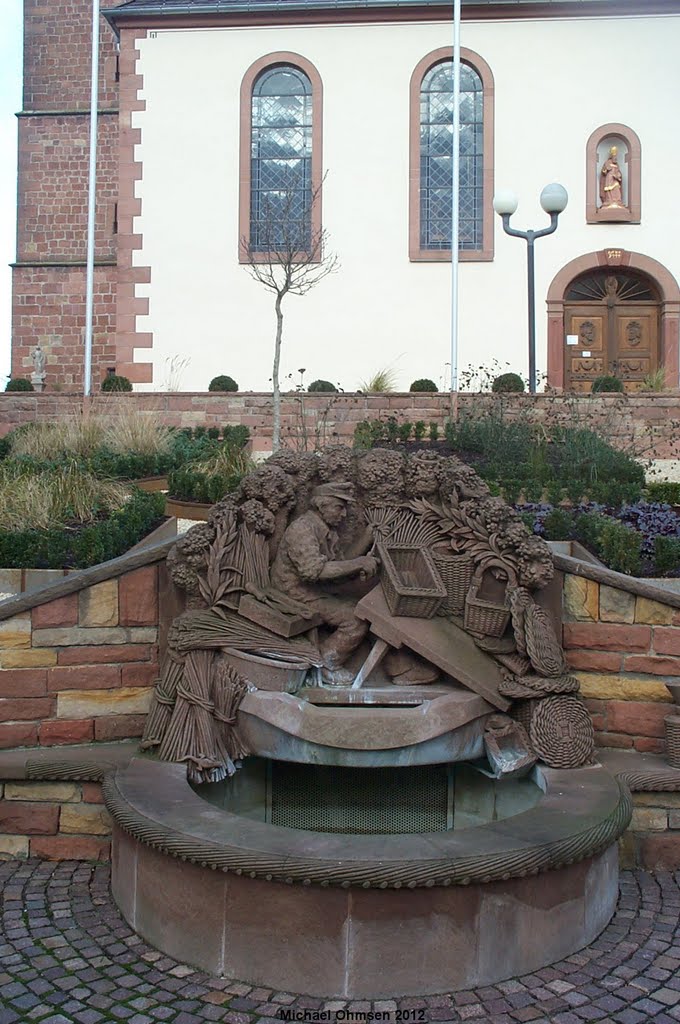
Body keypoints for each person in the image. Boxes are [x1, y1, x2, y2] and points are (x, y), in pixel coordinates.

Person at [270, 482, 378, 683]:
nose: (344, 514)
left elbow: (339, 563)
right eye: (339, 507)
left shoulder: (324, 529)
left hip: (311, 588)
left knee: (361, 603)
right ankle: (326, 663)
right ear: (321, 506)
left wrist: (366, 538)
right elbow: (313, 571)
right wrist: (359, 563)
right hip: (293, 592)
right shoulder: (302, 529)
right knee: (355, 619)